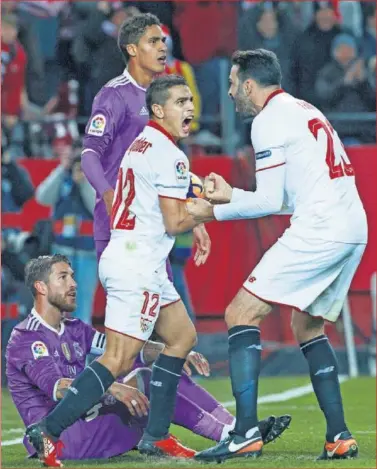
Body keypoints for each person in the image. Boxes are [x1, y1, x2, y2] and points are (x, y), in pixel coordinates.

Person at [187, 49, 366, 462]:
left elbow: (269, 202)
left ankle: (245, 432)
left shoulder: (267, 120)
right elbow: (286, 198)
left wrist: (212, 211)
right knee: (306, 325)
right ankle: (338, 435)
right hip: (351, 226)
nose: (230, 92)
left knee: (239, 313)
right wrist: (231, 195)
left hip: (320, 227)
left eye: (233, 84)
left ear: (250, 84)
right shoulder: (303, 109)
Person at [25, 75, 211, 465]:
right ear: (158, 110)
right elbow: (175, 222)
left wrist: (195, 212)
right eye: (180, 102)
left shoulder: (142, 144)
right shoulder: (171, 155)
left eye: (190, 100)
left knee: (181, 336)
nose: (189, 108)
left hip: (134, 253)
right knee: (119, 359)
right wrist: (216, 205)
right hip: (137, 262)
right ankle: (48, 430)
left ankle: (156, 436)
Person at [8, 255, 290, 462]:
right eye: (63, 278)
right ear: (41, 288)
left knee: (162, 367)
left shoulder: (74, 328)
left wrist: (175, 350)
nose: (73, 284)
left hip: (88, 421)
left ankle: (236, 428)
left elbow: (125, 349)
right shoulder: (27, 338)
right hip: (63, 439)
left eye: (72, 276)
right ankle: (231, 436)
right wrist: (112, 387)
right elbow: (57, 388)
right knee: (144, 380)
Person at [80, 13, 209, 266]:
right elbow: (89, 155)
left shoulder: (163, 97)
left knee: (167, 303)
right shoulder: (113, 96)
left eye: (163, 40)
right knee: (134, 302)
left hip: (156, 223)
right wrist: (108, 195)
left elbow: (169, 164)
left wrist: (193, 216)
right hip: (123, 225)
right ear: (132, 50)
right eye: (153, 42)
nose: (163, 47)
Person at [35, 138, 97, 324]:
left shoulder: (97, 176)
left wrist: (85, 181)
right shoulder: (62, 176)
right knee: (57, 304)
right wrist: (62, 169)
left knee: (82, 305)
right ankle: (57, 349)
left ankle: (80, 351)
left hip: (87, 253)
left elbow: (99, 208)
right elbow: (42, 197)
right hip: (61, 252)